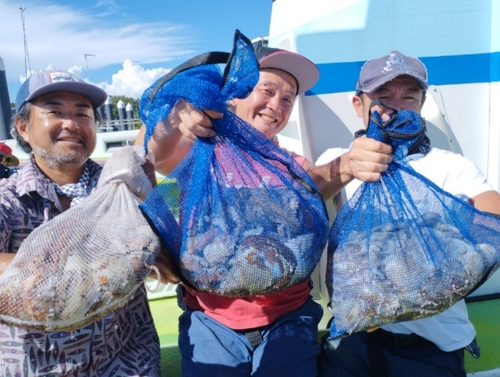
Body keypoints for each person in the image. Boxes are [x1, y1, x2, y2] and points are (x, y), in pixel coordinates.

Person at [136, 40, 392, 377]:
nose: (276, 105)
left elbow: (313, 182)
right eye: (267, 90)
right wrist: (176, 116)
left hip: (288, 318)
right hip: (211, 320)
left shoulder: (295, 164)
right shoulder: (198, 151)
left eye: (288, 99)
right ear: (237, 94)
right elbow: (146, 154)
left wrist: (348, 164)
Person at [316, 50, 500, 377]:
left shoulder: (451, 165)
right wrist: (344, 168)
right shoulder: (338, 158)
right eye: (383, 97)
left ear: (422, 103)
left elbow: (492, 214)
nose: (397, 107)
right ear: (358, 105)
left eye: (409, 96)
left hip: (432, 347)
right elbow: (297, 196)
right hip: (354, 340)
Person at [0, 70, 171, 376]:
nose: (71, 123)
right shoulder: (8, 200)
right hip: (35, 368)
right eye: (55, 111)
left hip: (128, 363)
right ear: (23, 127)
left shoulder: (123, 186)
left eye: (82, 113)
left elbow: (167, 252)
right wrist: (85, 269)